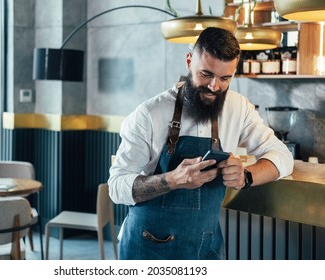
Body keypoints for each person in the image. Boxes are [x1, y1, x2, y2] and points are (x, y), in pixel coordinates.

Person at [108, 27, 294, 260]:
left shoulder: (238, 108)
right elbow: (116, 187)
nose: (214, 86)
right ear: (189, 61)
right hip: (148, 246)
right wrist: (172, 179)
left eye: (225, 78)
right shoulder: (149, 113)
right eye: (206, 74)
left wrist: (245, 176)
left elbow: (283, 156)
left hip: (205, 247)